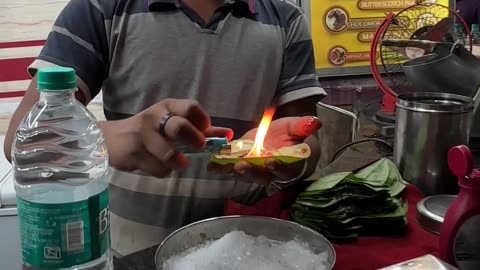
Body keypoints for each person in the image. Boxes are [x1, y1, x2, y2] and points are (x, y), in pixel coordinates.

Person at [4, 0, 325, 256]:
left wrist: (293, 157)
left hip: (249, 251)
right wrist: (105, 139)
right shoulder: (101, 8)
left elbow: (308, 140)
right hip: (127, 253)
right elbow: (21, 141)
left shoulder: (286, 19)